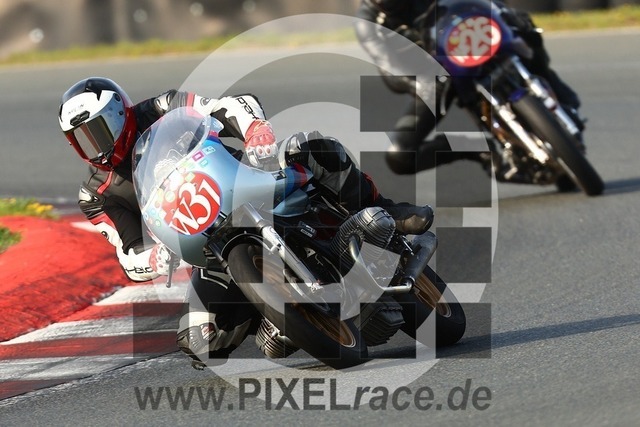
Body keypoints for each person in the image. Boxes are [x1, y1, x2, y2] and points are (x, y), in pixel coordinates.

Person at [58, 76, 433, 368]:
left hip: (243, 180)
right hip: (205, 247)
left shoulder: (162, 107)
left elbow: (226, 106)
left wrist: (255, 130)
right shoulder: (95, 195)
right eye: (81, 139)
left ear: (120, 115)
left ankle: (385, 210)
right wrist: (154, 258)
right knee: (198, 341)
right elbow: (127, 252)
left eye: (98, 130)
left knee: (313, 147)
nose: (94, 146)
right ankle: (273, 318)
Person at [355, 0, 584, 175]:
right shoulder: (368, 23)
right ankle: (474, 148)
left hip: (472, 39)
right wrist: (415, 83)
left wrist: (508, 15)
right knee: (400, 155)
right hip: (438, 77)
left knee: (527, 34)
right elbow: (389, 68)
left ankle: (563, 100)